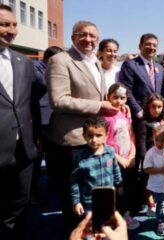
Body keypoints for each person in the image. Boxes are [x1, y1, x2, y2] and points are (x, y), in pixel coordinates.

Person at [46, 20, 117, 233]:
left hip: (94, 140)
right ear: (72, 37)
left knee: (94, 196)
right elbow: (58, 101)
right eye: (83, 34)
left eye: (93, 36)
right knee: (73, 202)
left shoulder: (95, 61)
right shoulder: (61, 60)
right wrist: (99, 106)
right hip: (72, 143)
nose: (88, 39)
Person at [0, 4, 39, 239]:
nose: (12, 30)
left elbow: (32, 101)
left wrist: (36, 137)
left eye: (15, 24)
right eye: (5, 24)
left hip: (24, 150)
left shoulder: (23, 61)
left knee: (20, 206)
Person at [119, 33, 164, 215]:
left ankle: (149, 197)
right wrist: (139, 112)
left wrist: (161, 115)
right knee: (136, 159)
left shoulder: (159, 67)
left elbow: (160, 93)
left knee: (153, 157)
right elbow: (126, 90)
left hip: (155, 120)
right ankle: (132, 202)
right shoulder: (130, 64)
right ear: (140, 45)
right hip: (138, 120)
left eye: (154, 45)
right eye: (148, 44)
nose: (151, 48)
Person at [101, 83, 138, 230]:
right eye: (115, 97)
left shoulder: (125, 113)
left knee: (125, 189)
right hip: (113, 160)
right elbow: (103, 142)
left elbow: (131, 135)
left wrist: (132, 155)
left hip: (127, 158)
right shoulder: (105, 117)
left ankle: (124, 215)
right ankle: (112, 218)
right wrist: (119, 158)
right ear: (108, 97)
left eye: (122, 98)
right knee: (115, 190)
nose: (119, 101)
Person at [70, 116, 123, 216]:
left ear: (106, 135)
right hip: (89, 201)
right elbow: (74, 182)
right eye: (90, 135)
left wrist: (119, 184)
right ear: (84, 136)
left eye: (99, 135)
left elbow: (115, 169)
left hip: (109, 197)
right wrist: (76, 202)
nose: (94, 140)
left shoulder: (110, 152)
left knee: (107, 221)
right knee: (90, 225)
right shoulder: (80, 158)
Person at [31, 46, 63, 202]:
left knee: (53, 155)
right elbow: (45, 84)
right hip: (40, 119)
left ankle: (53, 184)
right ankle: (33, 192)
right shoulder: (36, 67)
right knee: (37, 156)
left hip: (54, 118)